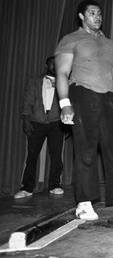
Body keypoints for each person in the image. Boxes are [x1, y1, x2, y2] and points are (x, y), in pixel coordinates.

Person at [54, 0, 113, 221]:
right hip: (82, 93)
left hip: (107, 97)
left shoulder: (109, 44)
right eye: (92, 13)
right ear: (81, 16)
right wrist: (65, 104)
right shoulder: (71, 40)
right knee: (85, 151)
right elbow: (62, 73)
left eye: (100, 13)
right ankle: (84, 203)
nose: (98, 17)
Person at [14, 56, 65, 199]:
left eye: (57, 64)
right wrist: (26, 119)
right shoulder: (35, 81)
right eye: (52, 64)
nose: (55, 66)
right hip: (37, 121)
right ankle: (26, 188)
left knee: (56, 155)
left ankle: (55, 185)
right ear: (46, 65)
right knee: (31, 155)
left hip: (56, 123)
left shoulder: (64, 82)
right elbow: (27, 101)